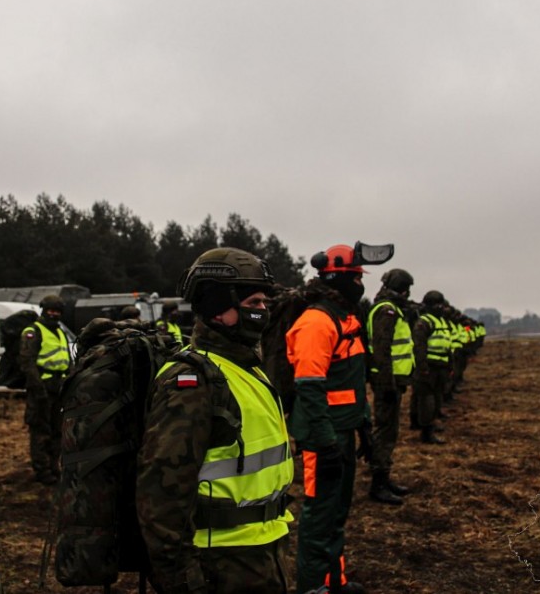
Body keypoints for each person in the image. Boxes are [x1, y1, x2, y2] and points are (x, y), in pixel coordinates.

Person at [136, 248, 294, 593]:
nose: (263, 311)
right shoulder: (192, 383)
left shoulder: (248, 368)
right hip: (220, 563)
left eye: (264, 302)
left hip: (263, 551)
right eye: (253, 303)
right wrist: (181, 581)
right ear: (219, 308)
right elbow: (162, 497)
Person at [286, 244, 370, 594]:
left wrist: (364, 425)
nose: (360, 285)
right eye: (356, 278)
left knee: (337, 513)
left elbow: (352, 381)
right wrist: (325, 441)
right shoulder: (317, 322)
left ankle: (334, 581)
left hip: (343, 431)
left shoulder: (346, 318)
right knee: (319, 517)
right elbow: (309, 388)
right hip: (324, 437)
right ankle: (312, 588)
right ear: (337, 278)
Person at [366, 268, 416, 505]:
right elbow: (382, 351)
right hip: (388, 383)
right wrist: (387, 385)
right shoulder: (386, 311)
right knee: (385, 431)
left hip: (393, 382)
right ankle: (378, 483)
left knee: (389, 431)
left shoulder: (392, 309)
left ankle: (384, 478)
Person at [21, 294, 72, 484]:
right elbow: (27, 362)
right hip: (41, 389)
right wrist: (38, 389)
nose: (54, 314)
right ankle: (42, 471)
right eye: (50, 310)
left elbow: (66, 360)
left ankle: (54, 467)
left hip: (59, 388)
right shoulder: (33, 331)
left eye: (57, 311)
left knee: (57, 430)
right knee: (41, 431)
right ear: (43, 310)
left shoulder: (60, 332)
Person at [410, 291, 451, 445]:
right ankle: (426, 432)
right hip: (429, 367)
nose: (442, 308)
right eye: (438, 304)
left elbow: (447, 345)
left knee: (436, 399)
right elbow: (419, 347)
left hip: (441, 367)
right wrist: (423, 367)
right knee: (426, 401)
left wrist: (450, 365)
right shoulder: (424, 322)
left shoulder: (441, 322)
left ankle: (430, 426)